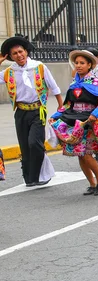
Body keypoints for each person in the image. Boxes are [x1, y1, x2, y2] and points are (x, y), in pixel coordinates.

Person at [48, 50, 98, 196]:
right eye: (77, 63)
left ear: (89, 65)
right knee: (80, 155)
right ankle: (92, 183)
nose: (78, 66)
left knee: (86, 154)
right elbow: (68, 105)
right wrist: (55, 115)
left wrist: (95, 115)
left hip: (89, 122)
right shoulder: (74, 83)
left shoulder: (95, 81)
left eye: (82, 63)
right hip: (75, 120)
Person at [0, 36, 62, 187]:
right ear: (10, 56)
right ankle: (29, 178)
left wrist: (61, 107)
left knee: (34, 143)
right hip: (20, 112)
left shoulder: (39, 67)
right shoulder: (9, 72)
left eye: (20, 51)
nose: (19, 55)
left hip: (37, 111)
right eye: (14, 53)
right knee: (25, 146)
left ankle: (41, 174)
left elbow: (53, 87)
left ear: (26, 52)